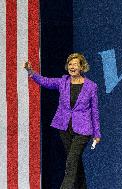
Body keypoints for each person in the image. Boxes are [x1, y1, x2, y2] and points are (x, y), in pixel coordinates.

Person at [24, 53, 101, 189]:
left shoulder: (91, 86)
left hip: (83, 130)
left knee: (71, 161)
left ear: (82, 67)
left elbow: (94, 111)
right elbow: (45, 81)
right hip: (64, 127)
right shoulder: (62, 82)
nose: (72, 67)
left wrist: (97, 133)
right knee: (75, 161)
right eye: (70, 64)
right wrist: (31, 72)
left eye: (75, 64)